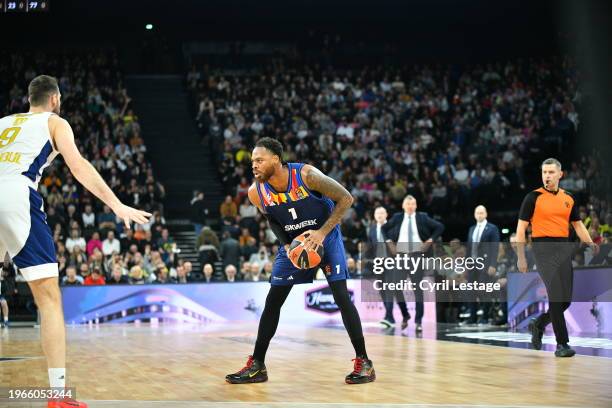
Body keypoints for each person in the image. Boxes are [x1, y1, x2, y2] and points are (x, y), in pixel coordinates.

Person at [0, 75, 151, 408]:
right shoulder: (55, 122)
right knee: (49, 298)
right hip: (14, 195)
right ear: (55, 98)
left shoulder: (4, 122)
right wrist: (116, 204)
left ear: (29, 98)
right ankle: (57, 397)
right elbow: (78, 166)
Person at [226, 137, 375, 385]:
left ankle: (364, 362)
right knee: (273, 301)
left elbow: (346, 198)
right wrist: (286, 243)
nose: (254, 165)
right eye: (252, 161)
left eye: (259, 160)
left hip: (325, 237)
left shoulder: (306, 175)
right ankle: (257, 365)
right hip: (295, 243)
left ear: (276, 159)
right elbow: (271, 219)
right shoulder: (256, 192)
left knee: (340, 296)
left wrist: (321, 233)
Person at [516, 158, 598, 358]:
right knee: (555, 295)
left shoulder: (569, 198)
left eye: (551, 172)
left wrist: (590, 242)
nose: (547, 176)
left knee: (566, 300)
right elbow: (521, 228)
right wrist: (521, 257)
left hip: (563, 248)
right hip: (542, 249)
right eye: (544, 172)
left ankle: (539, 323)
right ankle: (562, 343)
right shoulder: (533, 197)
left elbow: (578, 225)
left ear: (560, 174)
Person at [382, 195, 444, 331]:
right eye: (408, 204)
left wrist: (429, 241)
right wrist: (389, 242)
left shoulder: (423, 217)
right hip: (401, 257)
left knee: (418, 290)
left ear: (416, 206)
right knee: (396, 288)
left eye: (413, 204)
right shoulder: (398, 218)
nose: (410, 206)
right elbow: (383, 229)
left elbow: (440, 227)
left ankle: (418, 321)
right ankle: (405, 315)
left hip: (417, 256)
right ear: (403, 206)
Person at [367, 206, 410, 329]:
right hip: (379, 263)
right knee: (384, 290)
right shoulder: (372, 229)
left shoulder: (393, 228)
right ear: (374, 216)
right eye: (377, 213)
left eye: (382, 213)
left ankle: (389, 317)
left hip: (393, 262)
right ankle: (405, 314)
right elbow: (371, 247)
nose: (379, 215)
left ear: (386, 215)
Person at [465, 205, 500, 325]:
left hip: (485, 265)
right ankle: (472, 317)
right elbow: (468, 249)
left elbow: (495, 248)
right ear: (475, 215)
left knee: (484, 291)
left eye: (481, 213)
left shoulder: (492, 228)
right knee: (471, 292)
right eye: (477, 213)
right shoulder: (471, 229)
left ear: (486, 214)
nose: (479, 215)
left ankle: (485, 316)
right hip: (472, 265)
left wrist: (493, 265)